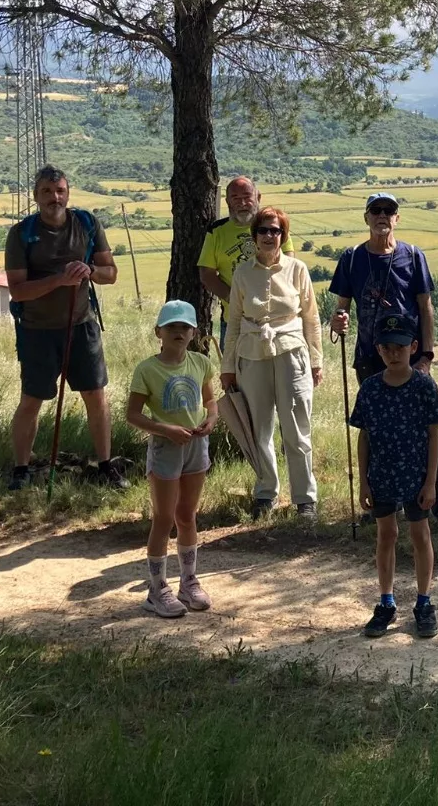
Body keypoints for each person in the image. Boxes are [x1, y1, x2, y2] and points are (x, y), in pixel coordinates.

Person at [330, 191, 438, 537]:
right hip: (370, 358)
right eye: (376, 210)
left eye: (389, 210)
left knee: (429, 430)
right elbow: (342, 305)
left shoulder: (413, 256)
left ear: (397, 218)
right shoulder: (352, 258)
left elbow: (426, 307)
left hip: (411, 358)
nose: (382, 215)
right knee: (376, 431)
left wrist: (427, 356)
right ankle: (382, 502)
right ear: (366, 217)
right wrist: (339, 319)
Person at [3, 165, 125, 491]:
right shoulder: (21, 234)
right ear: (36, 196)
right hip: (37, 331)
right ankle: (21, 470)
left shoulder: (86, 224)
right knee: (32, 400)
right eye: (46, 191)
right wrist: (60, 280)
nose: (54, 198)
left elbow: (111, 273)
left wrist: (89, 271)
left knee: (96, 396)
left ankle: (105, 465)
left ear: (68, 194)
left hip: (81, 325)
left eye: (59, 191)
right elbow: (18, 290)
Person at [220, 206, 324, 521]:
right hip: (252, 355)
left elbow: (311, 319)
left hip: (292, 352)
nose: (269, 236)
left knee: (296, 428)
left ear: (283, 235)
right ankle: (266, 493)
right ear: (254, 236)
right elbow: (233, 322)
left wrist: (316, 360)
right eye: (263, 230)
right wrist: (227, 367)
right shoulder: (242, 273)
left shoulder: (297, 269)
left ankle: (305, 498)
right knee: (260, 428)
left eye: (275, 230)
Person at [350, 314, 438, 640]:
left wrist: (431, 482)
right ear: (378, 349)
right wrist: (363, 481)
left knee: (420, 535)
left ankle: (424, 602)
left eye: (400, 348)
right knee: (386, 535)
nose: (394, 354)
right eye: (387, 348)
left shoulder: (424, 386)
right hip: (381, 475)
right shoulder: (370, 389)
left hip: (416, 475)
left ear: (413, 347)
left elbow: (433, 436)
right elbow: (363, 436)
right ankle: (386, 601)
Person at [125, 300, 219, 618]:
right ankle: (157, 589)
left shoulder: (201, 363)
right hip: (166, 449)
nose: (178, 332)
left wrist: (211, 418)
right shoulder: (147, 369)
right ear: (159, 333)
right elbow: (133, 415)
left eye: (184, 327)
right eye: (172, 327)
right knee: (164, 518)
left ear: (194, 332)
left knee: (187, 516)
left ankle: (188, 581)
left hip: (196, 445)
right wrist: (165, 429)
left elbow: (210, 400)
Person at [197, 176, 260, 339]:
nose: (242, 203)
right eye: (235, 198)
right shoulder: (216, 231)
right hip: (234, 321)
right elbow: (207, 274)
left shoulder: (274, 226)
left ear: (258, 197)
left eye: (247, 197)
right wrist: (235, 300)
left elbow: (289, 267)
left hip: (274, 320)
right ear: (228, 202)